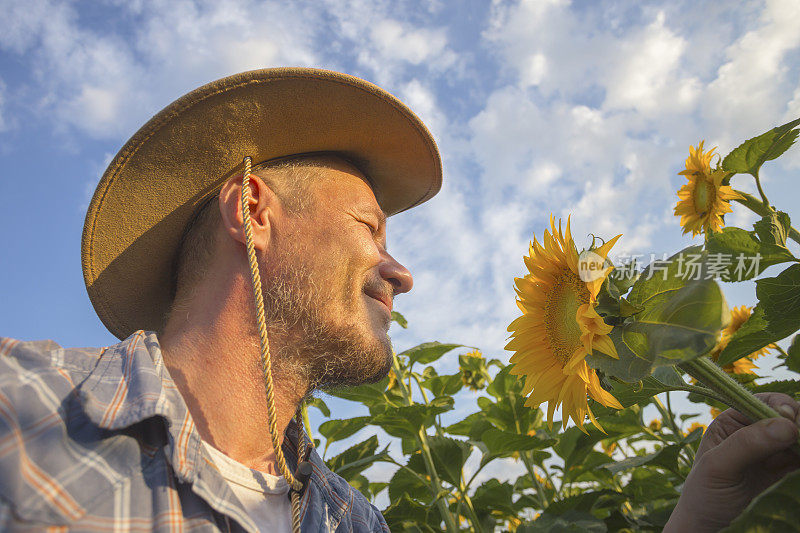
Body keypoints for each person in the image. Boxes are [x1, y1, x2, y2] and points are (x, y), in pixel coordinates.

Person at [0, 68, 797, 533]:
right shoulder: (22, 410)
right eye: (369, 228)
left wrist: (704, 505)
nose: (400, 271)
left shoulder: (349, 518)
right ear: (251, 211)